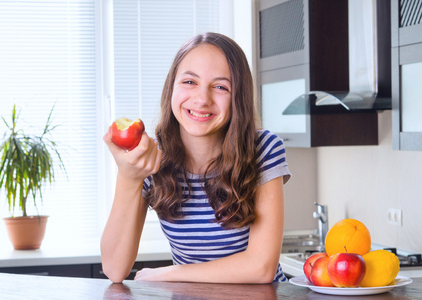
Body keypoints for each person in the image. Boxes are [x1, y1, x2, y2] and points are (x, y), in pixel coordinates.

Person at [101, 32, 291, 284]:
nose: (202, 99)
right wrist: (128, 177)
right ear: (172, 87)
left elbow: (261, 267)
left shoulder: (262, 149)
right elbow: (114, 269)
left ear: (238, 99)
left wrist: (168, 273)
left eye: (221, 87)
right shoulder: (153, 159)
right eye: (190, 82)